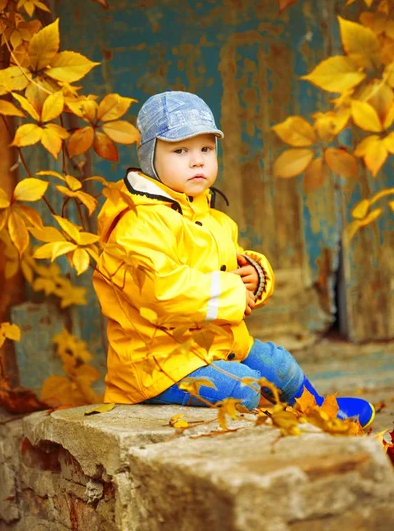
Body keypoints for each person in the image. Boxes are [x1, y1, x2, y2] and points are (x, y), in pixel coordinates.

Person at [93, 90, 375, 428]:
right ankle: (283, 425)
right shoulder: (137, 223)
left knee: (279, 364)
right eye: (180, 150)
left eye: (206, 149)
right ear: (149, 156)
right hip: (157, 363)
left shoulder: (210, 218)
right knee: (244, 385)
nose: (197, 160)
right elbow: (161, 290)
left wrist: (255, 276)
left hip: (213, 345)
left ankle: (318, 411)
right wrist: (230, 294)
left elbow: (233, 265)